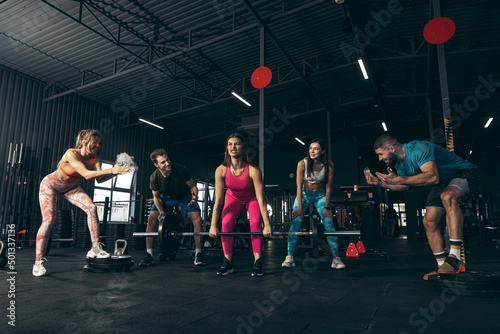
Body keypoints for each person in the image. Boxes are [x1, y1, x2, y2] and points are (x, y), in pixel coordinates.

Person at [365, 134, 479, 280]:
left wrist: (399, 179)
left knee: (448, 196)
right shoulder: (399, 164)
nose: (380, 159)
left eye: (381, 154)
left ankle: (455, 259)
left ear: (392, 148)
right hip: (442, 183)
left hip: (463, 173)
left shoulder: (418, 149)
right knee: (429, 221)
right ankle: (442, 266)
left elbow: (432, 176)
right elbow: (403, 187)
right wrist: (380, 184)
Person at [34, 129, 130, 276]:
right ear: (85, 141)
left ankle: (95, 248)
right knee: (48, 220)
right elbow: (86, 174)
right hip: (50, 185)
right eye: (95, 142)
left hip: (71, 187)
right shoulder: (71, 153)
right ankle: (38, 262)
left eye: (100, 143)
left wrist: (114, 173)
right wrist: (112, 169)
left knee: (91, 208)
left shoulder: (96, 158)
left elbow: (99, 179)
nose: (98, 145)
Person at [209, 133, 272, 276]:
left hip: (252, 197)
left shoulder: (253, 170)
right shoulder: (220, 170)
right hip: (233, 196)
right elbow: (218, 201)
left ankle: (257, 261)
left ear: (243, 148)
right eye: (230, 144)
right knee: (225, 223)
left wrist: (267, 224)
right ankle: (228, 262)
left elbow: (261, 199)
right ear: (227, 148)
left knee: (255, 222)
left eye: (237, 144)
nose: (233, 147)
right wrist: (213, 224)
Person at [282, 138, 346, 269]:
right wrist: (300, 208)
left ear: (322, 151)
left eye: (316, 148)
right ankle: (289, 257)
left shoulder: (329, 166)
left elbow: (328, 188)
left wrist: (327, 208)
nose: (312, 151)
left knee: (329, 222)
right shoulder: (302, 164)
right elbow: (298, 187)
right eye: (311, 148)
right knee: (296, 221)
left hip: (320, 196)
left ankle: (336, 259)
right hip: (304, 195)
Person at [140, 149, 204, 267]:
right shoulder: (154, 177)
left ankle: (198, 253)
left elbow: (193, 186)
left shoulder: (181, 169)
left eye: (167, 159)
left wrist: (195, 196)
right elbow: (156, 197)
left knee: (197, 219)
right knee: (151, 220)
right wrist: (161, 212)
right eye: (163, 162)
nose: (167, 163)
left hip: (184, 197)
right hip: (166, 198)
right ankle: (149, 255)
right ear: (156, 165)